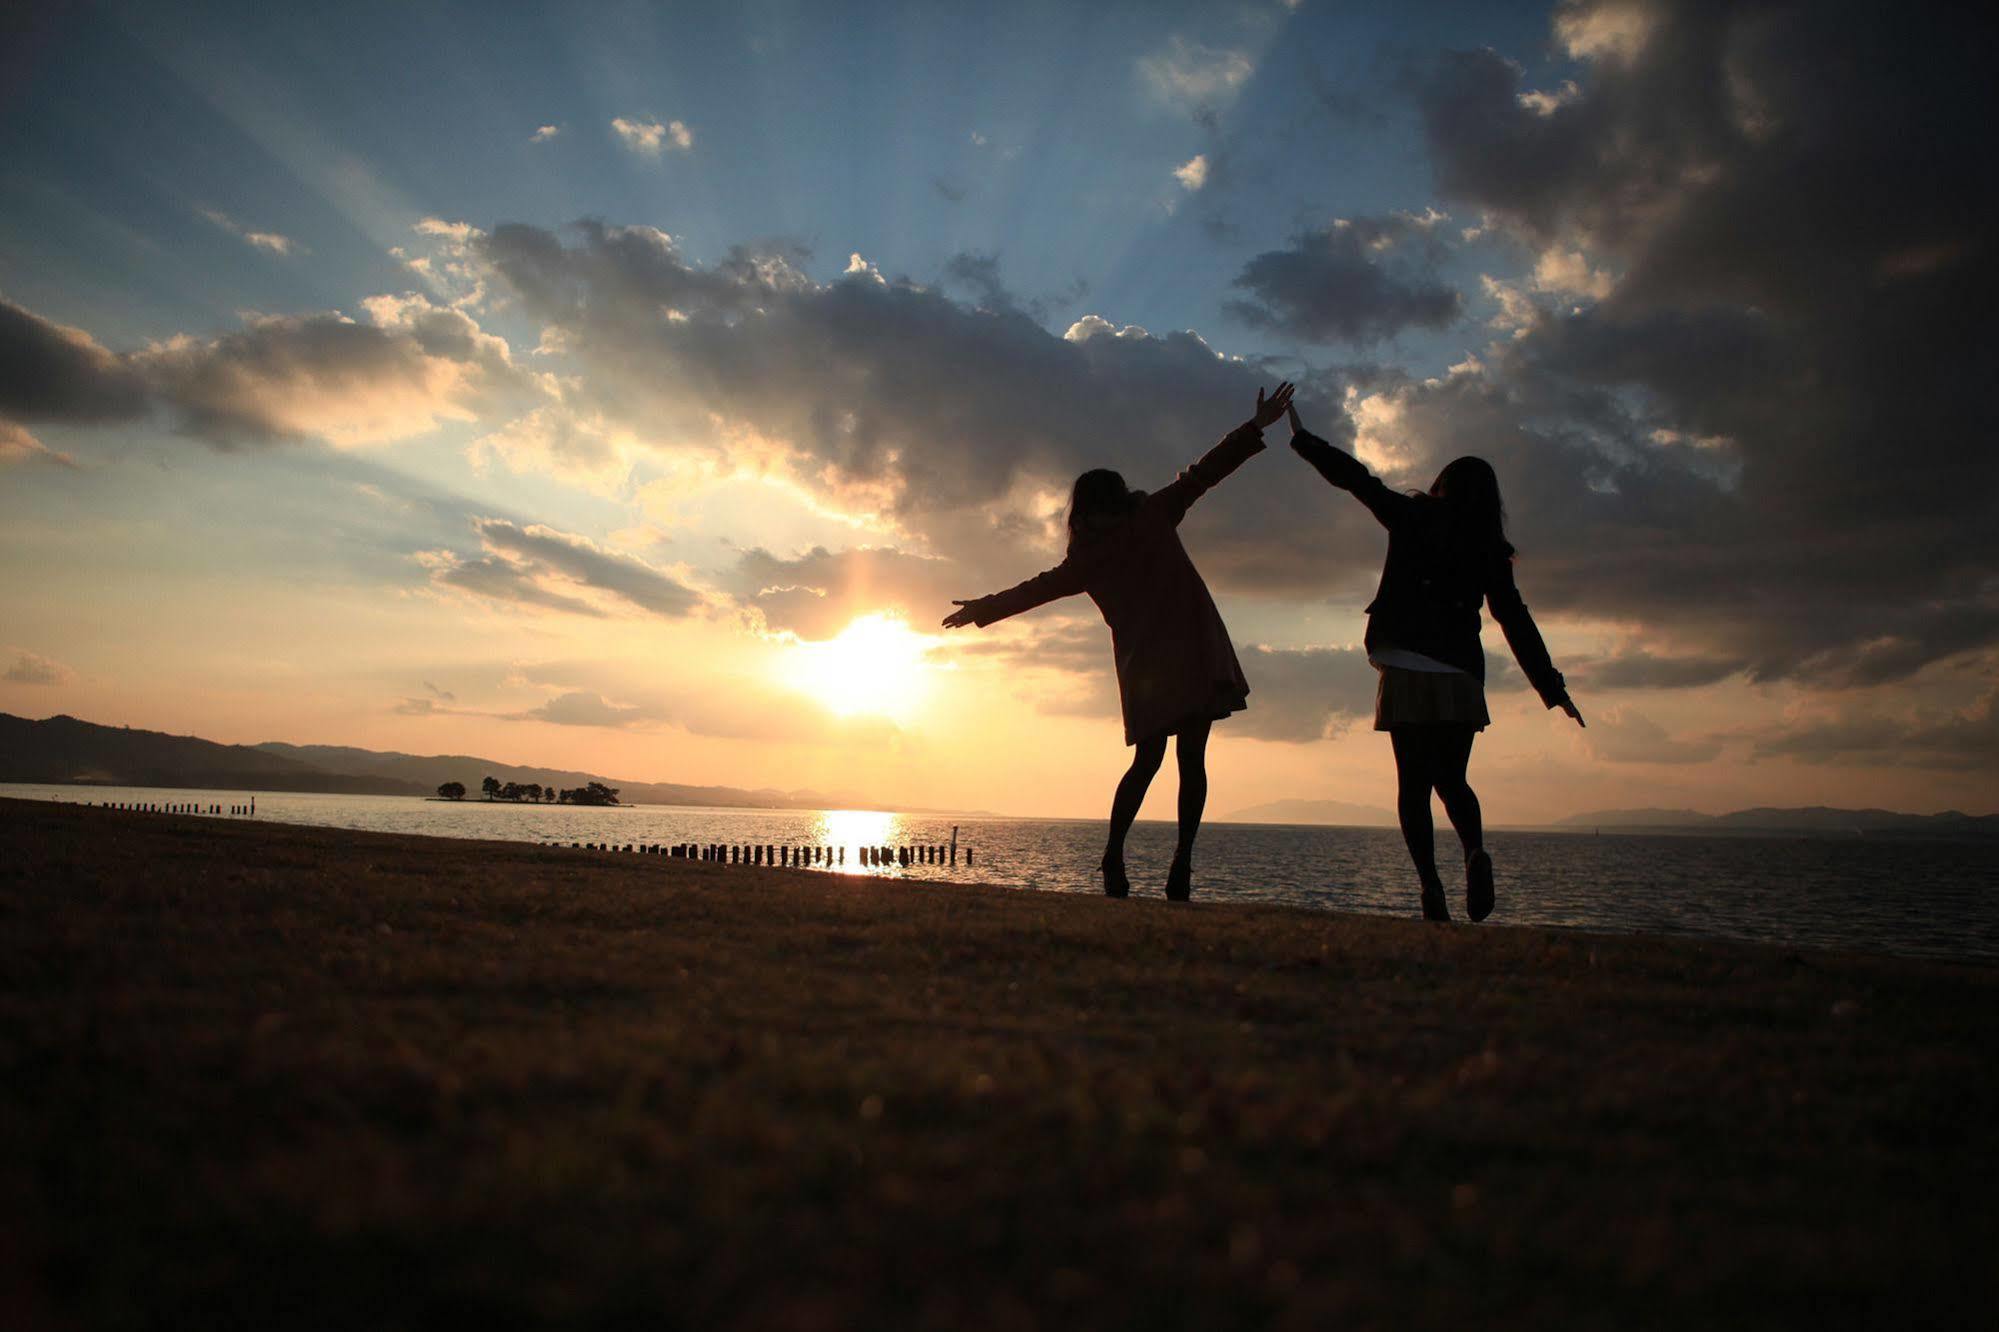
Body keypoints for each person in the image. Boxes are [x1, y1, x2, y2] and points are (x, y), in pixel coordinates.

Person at [943, 383, 1295, 901]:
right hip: (1166, 658)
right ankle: (1121, 855)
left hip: (1176, 654)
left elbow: (1203, 474)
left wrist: (1255, 426)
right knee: (1156, 761)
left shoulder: (1132, 526)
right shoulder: (1114, 539)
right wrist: (983, 609)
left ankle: (1176, 862)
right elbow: (1035, 589)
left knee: (1181, 761)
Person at [1286, 401, 1583, 922]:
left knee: (1412, 786)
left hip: (1406, 660)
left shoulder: (1414, 516)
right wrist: (1551, 686)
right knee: (1453, 780)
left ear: (1441, 484)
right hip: (1460, 671)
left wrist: (1305, 440)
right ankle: (1474, 851)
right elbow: (1515, 619)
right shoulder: (1490, 548)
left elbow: (1359, 481)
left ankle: (1431, 891)